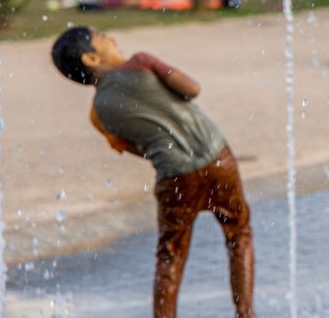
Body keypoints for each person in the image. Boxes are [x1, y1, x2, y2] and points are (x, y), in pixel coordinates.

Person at [50, 27, 257, 318]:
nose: (112, 36)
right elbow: (192, 89)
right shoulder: (141, 62)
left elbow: (141, 150)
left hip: (175, 176)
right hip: (217, 158)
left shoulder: (98, 114)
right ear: (91, 58)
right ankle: (246, 313)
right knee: (239, 234)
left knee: (170, 254)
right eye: (102, 36)